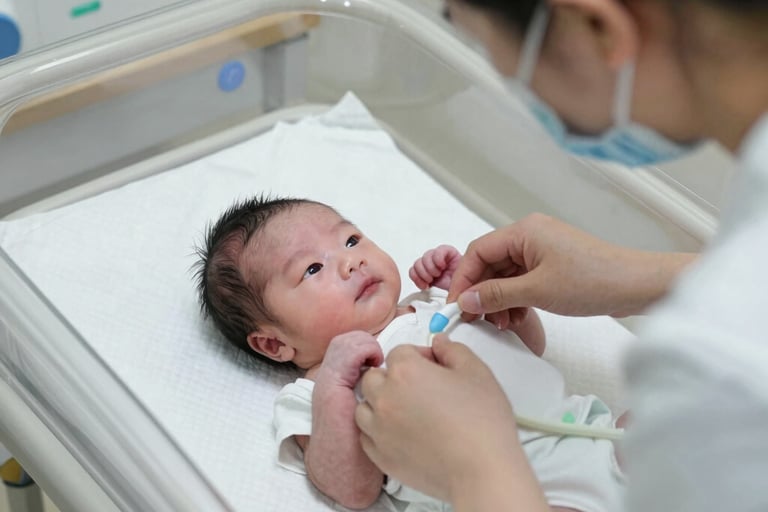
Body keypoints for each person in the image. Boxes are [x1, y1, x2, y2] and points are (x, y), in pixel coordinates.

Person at [354, 1, 768, 511]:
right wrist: (647, 277)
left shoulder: (718, 368)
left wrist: (476, 471)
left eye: (490, 50)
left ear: (598, 27)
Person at [195, 195, 625, 511]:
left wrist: (488, 301)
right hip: (512, 493)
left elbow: (531, 350)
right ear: (274, 343)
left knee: (671, 422)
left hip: (593, 433)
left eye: (350, 240)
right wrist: (335, 386)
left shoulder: (436, 303)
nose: (351, 263)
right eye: (312, 269)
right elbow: (352, 489)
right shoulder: (315, 391)